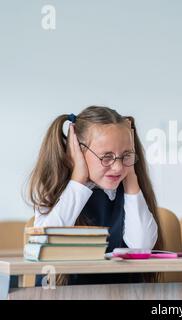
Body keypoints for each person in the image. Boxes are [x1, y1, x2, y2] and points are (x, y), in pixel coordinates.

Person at [27, 105, 162, 285]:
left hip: (122, 294)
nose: (118, 167)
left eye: (126, 155)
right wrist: (78, 180)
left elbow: (142, 246)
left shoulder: (129, 188)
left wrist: (131, 180)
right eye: (106, 157)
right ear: (77, 151)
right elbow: (45, 243)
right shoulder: (54, 188)